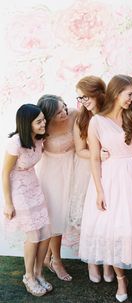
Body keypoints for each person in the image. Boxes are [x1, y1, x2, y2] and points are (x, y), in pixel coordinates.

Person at [79, 74, 132, 303]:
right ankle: (121, 279)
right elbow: (93, 159)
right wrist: (100, 191)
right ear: (116, 92)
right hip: (107, 179)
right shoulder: (96, 121)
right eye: (129, 94)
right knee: (110, 230)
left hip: (131, 176)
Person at [2, 104, 52, 297]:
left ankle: (39, 273)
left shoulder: (40, 139)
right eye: (39, 121)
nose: (44, 123)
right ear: (26, 124)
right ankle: (29, 276)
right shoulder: (15, 143)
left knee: (46, 233)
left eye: (44, 119)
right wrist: (8, 203)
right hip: (18, 191)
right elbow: (5, 173)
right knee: (33, 236)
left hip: (34, 186)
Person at [67, 75, 114, 282]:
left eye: (86, 96)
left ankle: (108, 263)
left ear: (98, 94)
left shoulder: (112, 115)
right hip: (87, 171)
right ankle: (92, 263)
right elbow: (80, 150)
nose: (83, 101)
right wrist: (98, 155)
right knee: (90, 219)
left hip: (112, 171)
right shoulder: (81, 119)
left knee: (108, 217)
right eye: (80, 98)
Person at [37, 94, 77, 281]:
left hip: (73, 169)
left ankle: (47, 257)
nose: (65, 112)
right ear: (48, 115)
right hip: (52, 174)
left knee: (66, 214)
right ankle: (56, 261)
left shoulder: (74, 115)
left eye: (65, 107)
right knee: (55, 218)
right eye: (59, 111)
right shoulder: (41, 128)